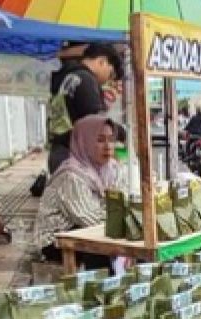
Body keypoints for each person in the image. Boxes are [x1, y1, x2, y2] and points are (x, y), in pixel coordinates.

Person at [38, 115, 121, 269]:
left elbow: (121, 200)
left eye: (111, 139)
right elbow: (89, 218)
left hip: (86, 229)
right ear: (84, 142)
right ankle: (101, 291)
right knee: (100, 248)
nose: (108, 146)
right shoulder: (71, 175)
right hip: (57, 238)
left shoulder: (111, 168)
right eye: (100, 140)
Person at [47, 42, 123, 174]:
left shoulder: (68, 76)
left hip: (60, 151)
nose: (107, 81)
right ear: (102, 62)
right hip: (74, 157)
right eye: (110, 74)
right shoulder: (86, 80)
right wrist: (122, 133)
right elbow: (96, 124)